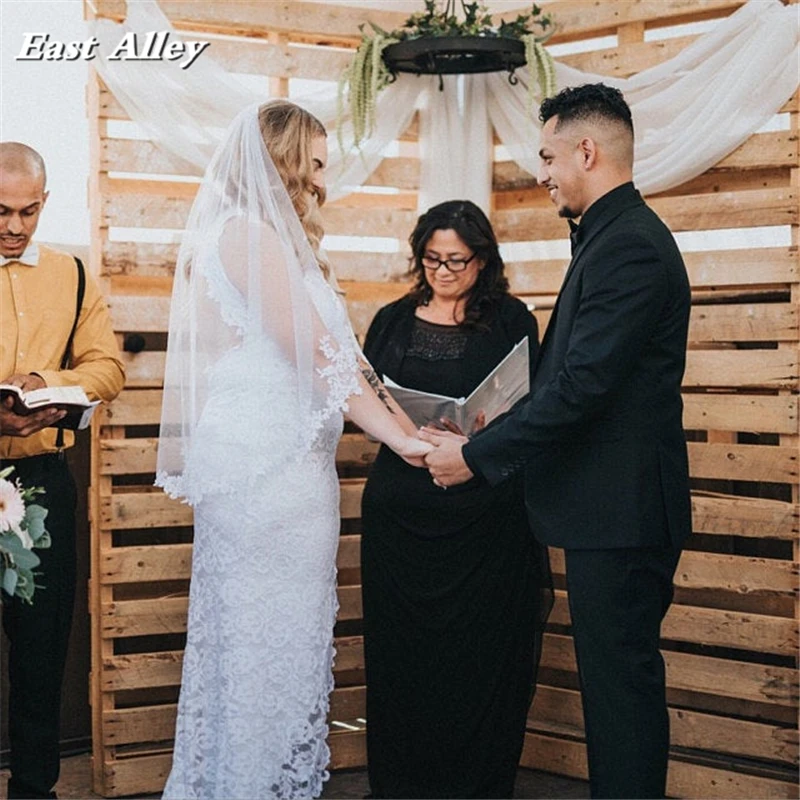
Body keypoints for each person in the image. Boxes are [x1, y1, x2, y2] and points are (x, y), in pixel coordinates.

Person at [155, 100, 431, 800]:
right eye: (309, 166)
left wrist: (411, 419)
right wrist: (401, 439)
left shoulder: (271, 241)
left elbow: (346, 358)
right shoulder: (248, 237)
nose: (317, 183)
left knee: (270, 656)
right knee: (262, 661)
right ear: (278, 162)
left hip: (286, 469)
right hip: (268, 477)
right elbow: (318, 358)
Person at [423, 84, 692, 800]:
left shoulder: (630, 246)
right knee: (615, 689)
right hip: (609, 510)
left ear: (586, 150)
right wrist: (493, 423)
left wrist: (477, 458)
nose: (539, 171)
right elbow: (570, 381)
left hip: (623, 513)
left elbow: (581, 388)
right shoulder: (610, 237)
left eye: (546, 155)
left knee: (621, 695)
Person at [360, 199, 552, 799]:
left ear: (483, 260)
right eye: (432, 259)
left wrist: (473, 443)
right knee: (402, 660)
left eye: (458, 261)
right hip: (402, 516)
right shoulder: (391, 321)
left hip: (481, 521)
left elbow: (532, 414)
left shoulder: (512, 321)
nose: (443, 272)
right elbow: (364, 398)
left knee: (478, 659)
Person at [0, 142, 125, 800]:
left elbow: (108, 369)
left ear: (44, 204)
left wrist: (49, 383)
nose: (14, 227)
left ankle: (33, 788)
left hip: (40, 488)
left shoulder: (74, 276)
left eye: (27, 211)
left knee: (41, 653)